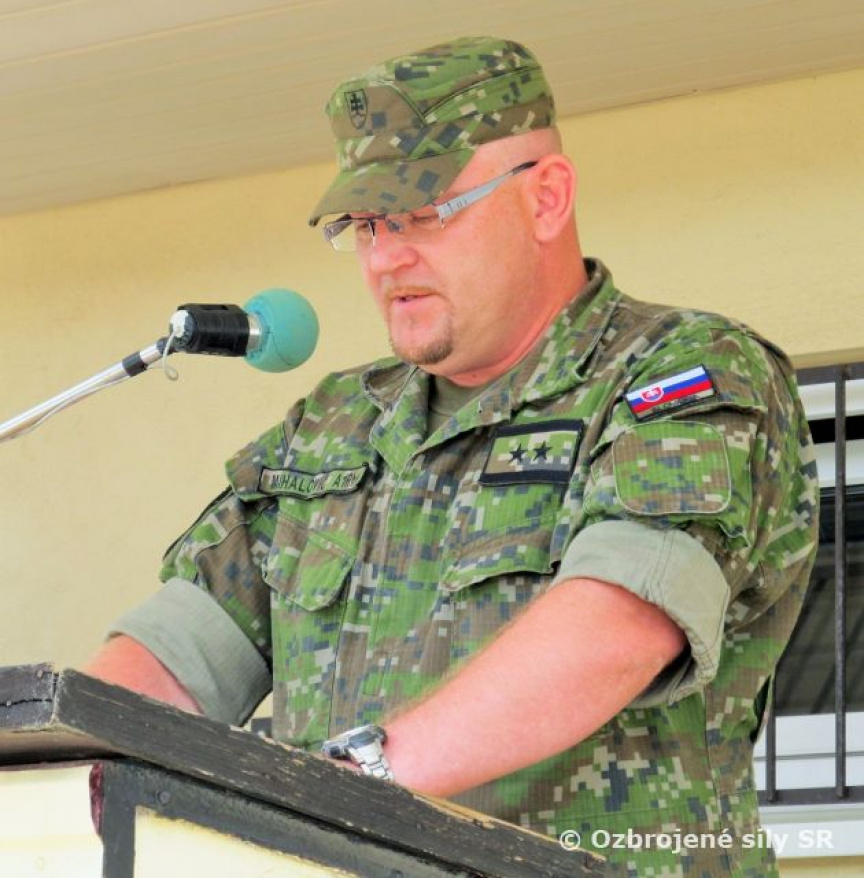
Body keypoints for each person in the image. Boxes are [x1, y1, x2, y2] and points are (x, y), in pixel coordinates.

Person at [84, 36, 818, 876]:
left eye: (424, 214)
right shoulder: (332, 425)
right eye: (366, 225)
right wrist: (68, 764)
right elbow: (174, 661)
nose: (386, 257)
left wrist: (347, 788)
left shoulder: (679, 372)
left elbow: (617, 627)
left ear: (546, 198)